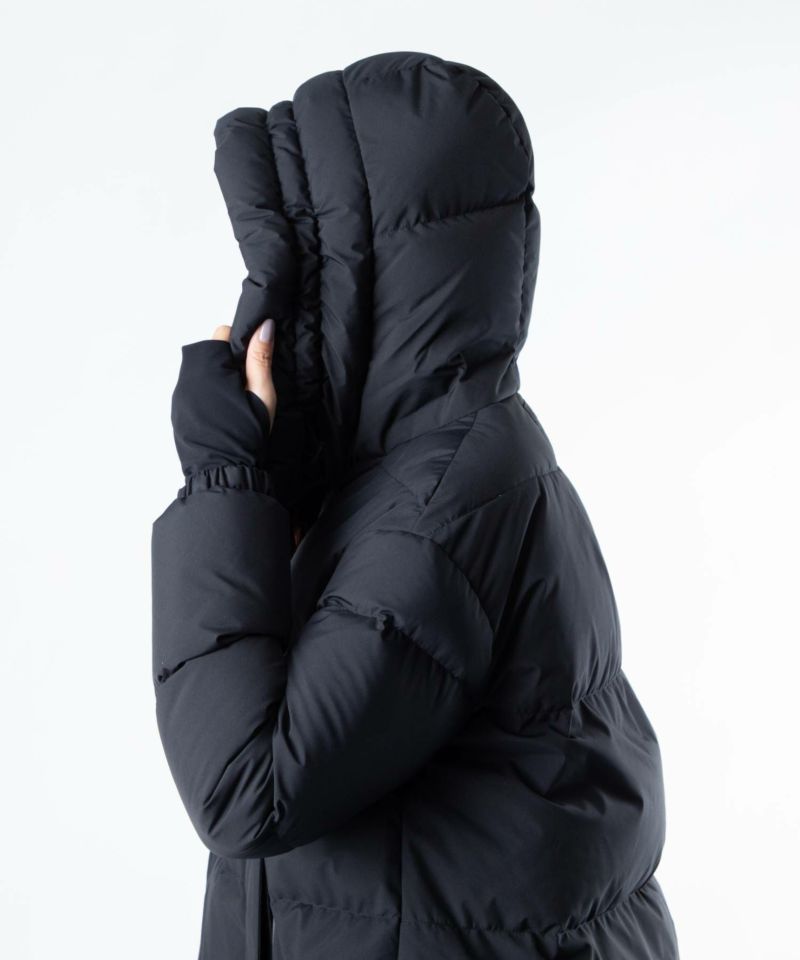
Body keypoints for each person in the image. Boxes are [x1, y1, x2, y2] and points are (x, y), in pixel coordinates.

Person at [151, 50, 680, 960]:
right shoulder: (429, 466)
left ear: (357, 287)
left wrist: (224, 479)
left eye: (298, 271)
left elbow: (248, 789)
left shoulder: (442, 502)